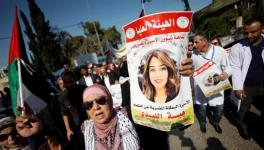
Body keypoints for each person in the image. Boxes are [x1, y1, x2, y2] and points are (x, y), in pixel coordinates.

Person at [229, 16, 264, 140]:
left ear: (262, 29)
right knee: (243, 109)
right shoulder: (237, 48)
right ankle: (241, 124)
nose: (248, 35)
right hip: (247, 86)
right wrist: (238, 87)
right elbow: (235, 68)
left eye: (253, 32)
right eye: (246, 32)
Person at [192, 32, 232, 134]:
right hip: (201, 87)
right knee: (201, 108)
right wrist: (192, 88)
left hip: (216, 85)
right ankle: (203, 123)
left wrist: (226, 74)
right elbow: (191, 72)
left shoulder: (220, 51)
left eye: (196, 42)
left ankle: (215, 122)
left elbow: (228, 67)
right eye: (193, 42)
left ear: (205, 41)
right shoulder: (193, 54)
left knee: (219, 109)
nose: (194, 45)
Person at [81, 84, 140, 150]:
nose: (96, 107)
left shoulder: (129, 117)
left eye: (101, 100)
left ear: (110, 101)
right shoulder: (86, 130)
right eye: (88, 104)